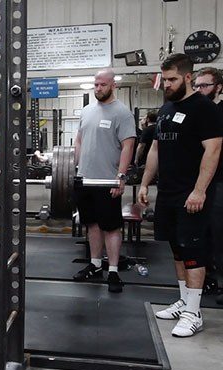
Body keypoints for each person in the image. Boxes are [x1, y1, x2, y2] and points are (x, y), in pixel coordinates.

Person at [138, 54, 223, 337]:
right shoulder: (165, 109)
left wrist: (199, 190)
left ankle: (194, 311)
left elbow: (213, 150)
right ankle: (184, 300)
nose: (167, 84)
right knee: (176, 249)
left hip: (192, 194)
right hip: (168, 193)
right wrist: (144, 184)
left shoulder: (204, 109)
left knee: (193, 252)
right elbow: (155, 150)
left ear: (188, 77)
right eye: (165, 79)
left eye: (173, 79)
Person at [72, 68, 136, 293]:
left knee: (111, 226)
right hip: (85, 179)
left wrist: (121, 176)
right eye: (96, 85)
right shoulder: (87, 111)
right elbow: (79, 140)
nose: (98, 88)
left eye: (103, 85)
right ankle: (96, 264)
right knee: (92, 224)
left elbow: (128, 145)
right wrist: (75, 167)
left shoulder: (122, 113)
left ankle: (114, 270)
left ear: (113, 85)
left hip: (107, 180)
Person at [192, 67, 223, 306]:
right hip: (199, 182)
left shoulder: (219, 112)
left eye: (205, 86)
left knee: (219, 233)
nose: (200, 90)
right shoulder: (196, 112)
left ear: (218, 87)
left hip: (220, 182)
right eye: (197, 86)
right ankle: (209, 279)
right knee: (203, 234)